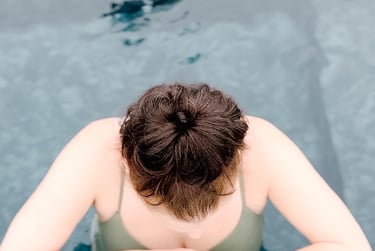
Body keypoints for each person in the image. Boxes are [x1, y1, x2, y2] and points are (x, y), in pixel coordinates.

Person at [0, 83, 371, 251]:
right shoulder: (98, 150)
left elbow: (350, 246)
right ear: (126, 159)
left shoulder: (262, 147)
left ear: (238, 156)